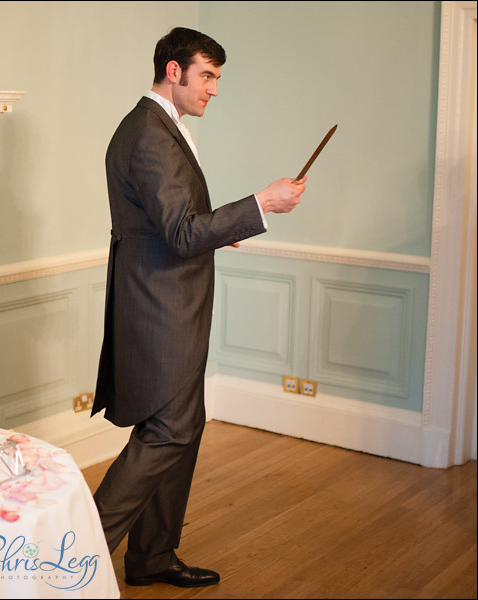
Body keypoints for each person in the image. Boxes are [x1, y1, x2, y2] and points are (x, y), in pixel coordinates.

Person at [90, 26, 306, 588]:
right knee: (167, 431)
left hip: (171, 299)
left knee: (184, 425)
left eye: (216, 77)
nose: (214, 89)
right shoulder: (149, 134)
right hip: (161, 305)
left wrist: (219, 231)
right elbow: (182, 233)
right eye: (207, 75)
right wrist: (261, 204)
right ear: (173, 71)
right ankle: (68, 555)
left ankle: (151, 558)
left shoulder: (161, 127)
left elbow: (174, 224)